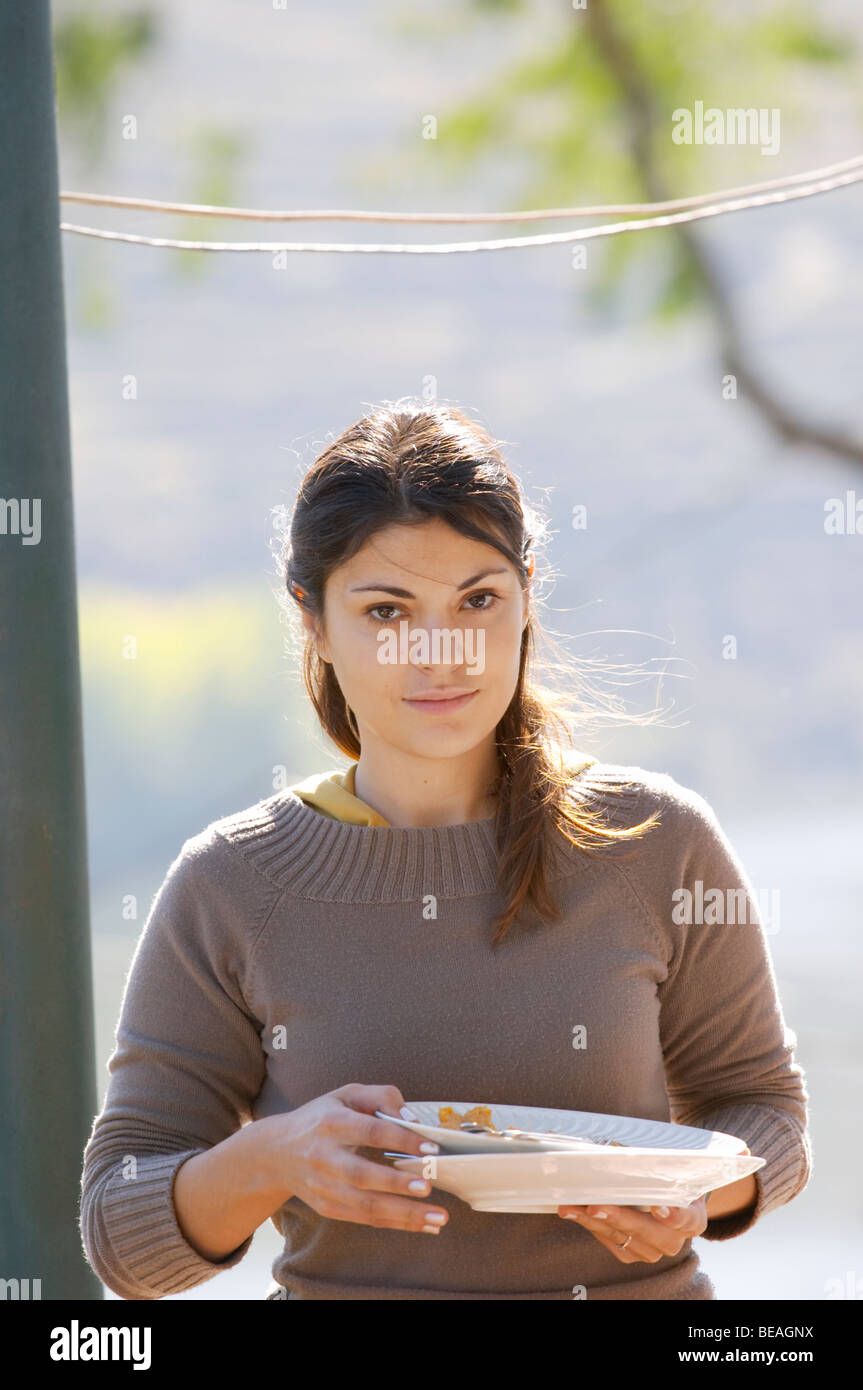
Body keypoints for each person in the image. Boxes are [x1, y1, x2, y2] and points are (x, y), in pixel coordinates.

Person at [79, 399, 810, 1300]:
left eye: (477, 599)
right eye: (387, 611)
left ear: (526, 597)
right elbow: (120, 1230)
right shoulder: (230, 884)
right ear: (312, 620)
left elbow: (763, 1111)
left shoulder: (656, 842)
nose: (442, 651)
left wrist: (698, 1195)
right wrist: (272, 1159)